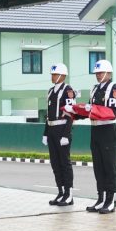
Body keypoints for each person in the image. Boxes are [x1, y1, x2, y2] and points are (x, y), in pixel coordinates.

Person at [76, 58, 116, 213]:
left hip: (107, 129)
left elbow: (112, 112)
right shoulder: (94, 89)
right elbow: (89, 110)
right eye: (96, 72)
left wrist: (92, 109)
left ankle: (110, 200)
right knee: (98, 166)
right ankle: (100, 198)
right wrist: (75, 112)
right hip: (95, 129)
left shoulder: (114, 89)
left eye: (101, 72)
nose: (98, 75)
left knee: (109, 166)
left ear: (108, 73)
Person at [42, 63, 77, 206]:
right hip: (51, 129)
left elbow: (71, 114)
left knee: (64, 163)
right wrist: (45, 133)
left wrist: (66, 135)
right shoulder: (51, 91)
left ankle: (69, 194)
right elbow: (48, 115)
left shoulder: (68, 91)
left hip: (62, 129)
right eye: (52, 74)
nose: (53, 77)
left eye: (55, 74)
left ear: (63, 75)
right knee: (55, 163)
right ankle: (61, 192)